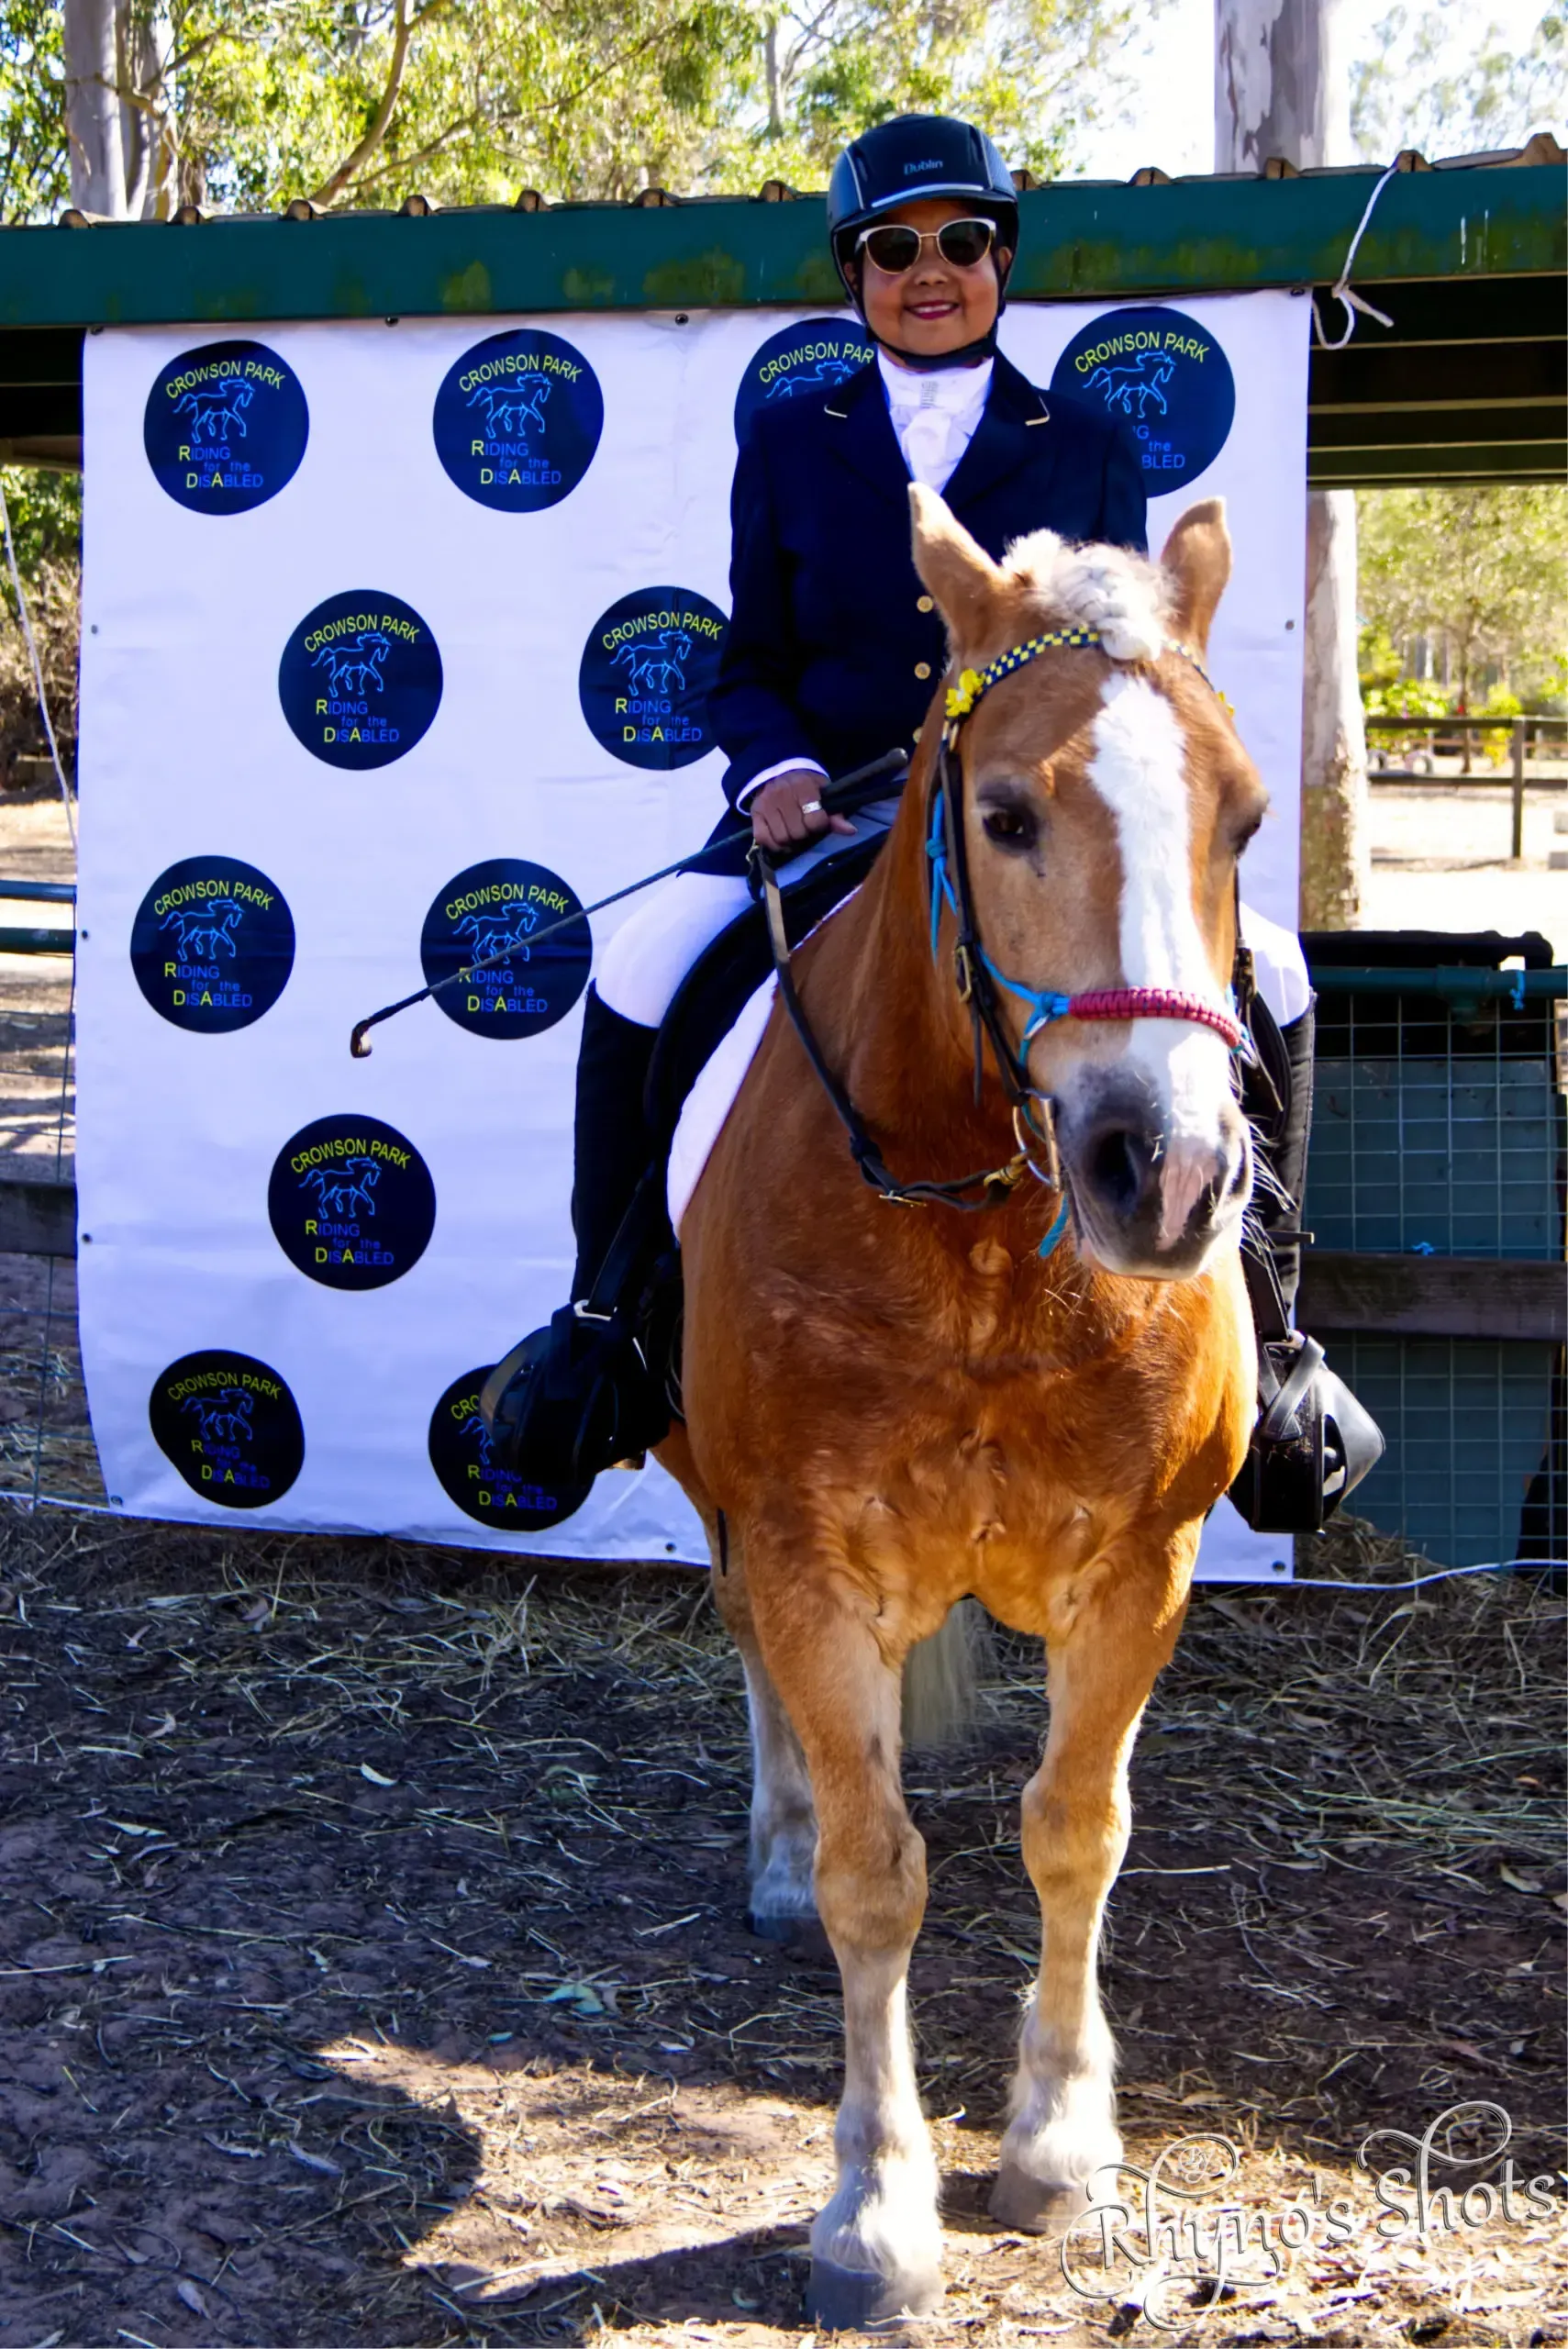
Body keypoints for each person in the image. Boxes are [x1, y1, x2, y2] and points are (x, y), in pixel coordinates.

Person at [489, 112, 1351, 1518]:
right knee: (647, 960)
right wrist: (770, 769)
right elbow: (749, 660)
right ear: (856, 275)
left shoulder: (1083, 442)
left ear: (1001, 262)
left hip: (1033, 827)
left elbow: (1121, 662)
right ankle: (608, 1323)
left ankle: (1278, 1339)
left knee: (1282, 968)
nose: (928, 270)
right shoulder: (786, 438)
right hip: (831, 820)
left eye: (959, 243)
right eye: (893, 249)